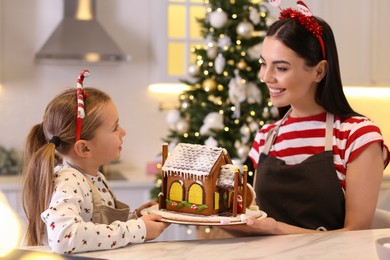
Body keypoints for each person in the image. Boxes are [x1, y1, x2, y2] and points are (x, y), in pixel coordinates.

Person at [223, 1, 389, 236]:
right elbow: (258, 222)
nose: (266, 76)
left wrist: (277, 229)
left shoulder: (357, 136)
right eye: (263, 64)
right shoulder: (266, 136)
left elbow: (357, 235)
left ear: (319, 71)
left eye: (280, 68)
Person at [21, 70, 169, 254]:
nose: (123, 132)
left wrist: (136, 218)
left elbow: (94, 228)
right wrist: (138, 229)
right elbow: (63, 237)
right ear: (84, 149)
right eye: (115, 127)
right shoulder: (67, 182)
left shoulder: (93, 177)